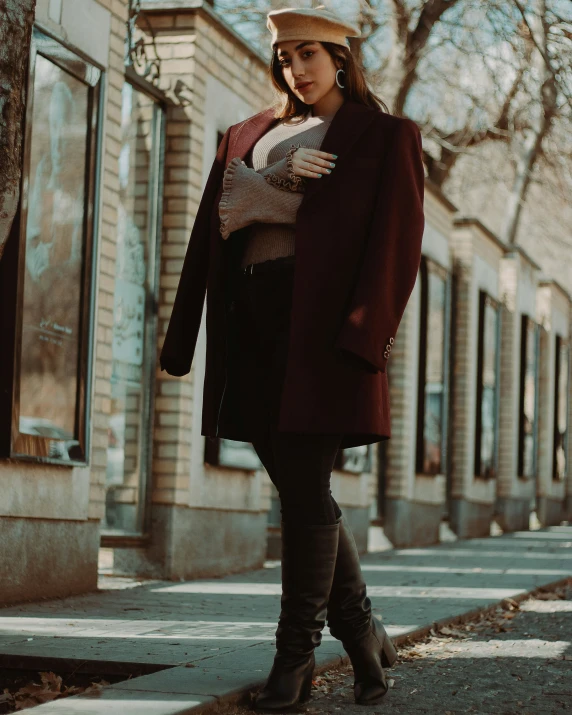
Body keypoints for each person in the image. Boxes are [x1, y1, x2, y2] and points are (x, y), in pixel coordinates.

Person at [160, 6, 425, 711]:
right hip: (253, 326)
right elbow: (210, 233)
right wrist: (182, 336)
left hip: (323, 335)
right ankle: (362, 626)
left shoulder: (385, 135)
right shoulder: (247, 134)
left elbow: (393, 245)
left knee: (305, 488)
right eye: (284, 56)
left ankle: (295, 660)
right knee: (303, 491)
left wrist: (363, 341)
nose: (296, 69)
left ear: (341, 55)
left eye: (309, 53)